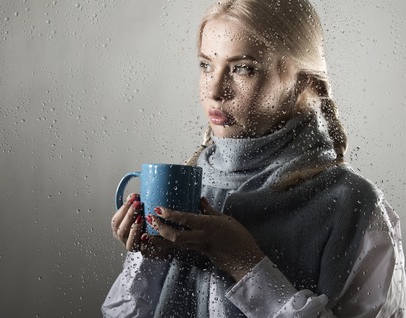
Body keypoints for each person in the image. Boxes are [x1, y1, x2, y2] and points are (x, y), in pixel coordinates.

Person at [102, 0, 406, 316]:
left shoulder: (354, 205)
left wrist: (244, 263)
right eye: (206, 65)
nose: (215, 90)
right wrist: (149, 258)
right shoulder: (191, 185)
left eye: (243, 68)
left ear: (299, 80)